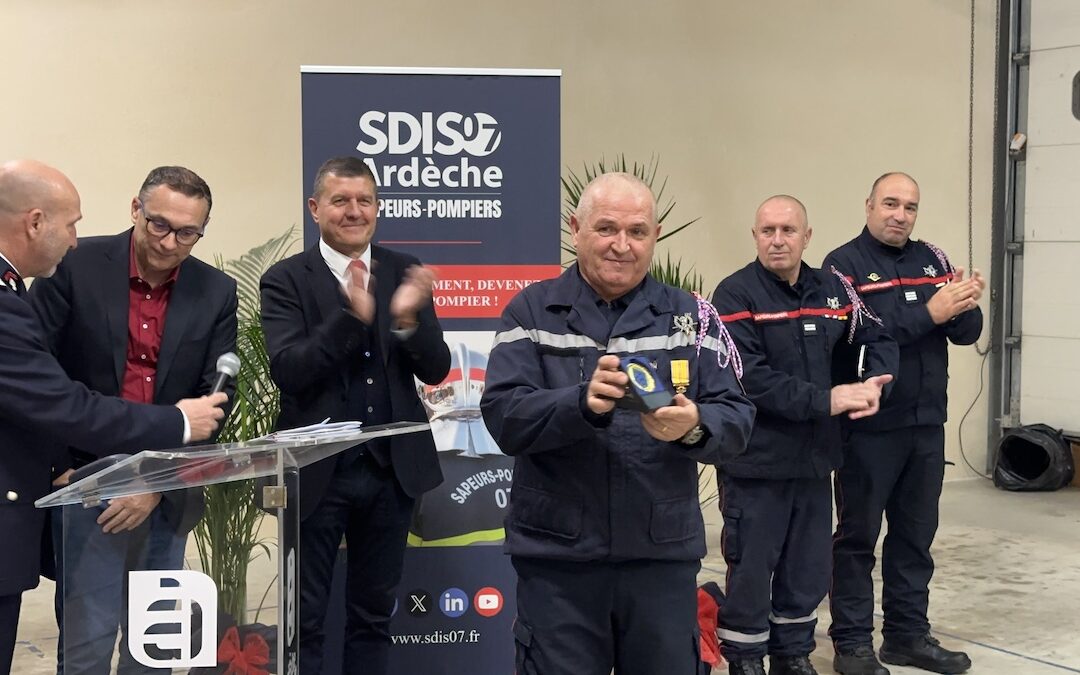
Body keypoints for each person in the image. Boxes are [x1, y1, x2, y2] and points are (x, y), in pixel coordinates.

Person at [480, 173, 755, 675]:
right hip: (559, 563)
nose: (622, 245)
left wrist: (693, 426)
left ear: (655, 235)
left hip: (660, 561)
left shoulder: (691, 317)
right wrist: (580, 404)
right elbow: (504, 416)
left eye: (637, 231)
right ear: (576, 228)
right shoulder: (531, 312)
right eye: (606, 228)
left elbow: (737, 419)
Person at [0, 158, 227, 674]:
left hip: (166, 492)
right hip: (84, 485)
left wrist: (155, 480)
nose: (170, 242)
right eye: (159, 224)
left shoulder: (215, 289)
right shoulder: (72, 266)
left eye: (188, 233)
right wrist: (66, 467)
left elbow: (216, 396)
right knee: (87, 645)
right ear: (136, 210)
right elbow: (45, 385)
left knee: (155, 647)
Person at [260, 156, 450, 675]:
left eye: (365, 200)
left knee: (373, 617)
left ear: (377, 208)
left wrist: (407, 319)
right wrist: (350, 318)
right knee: (305, 620)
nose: (354, 211)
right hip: (316, 474)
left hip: (392, 474)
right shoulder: (285, 279)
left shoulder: (403, 270)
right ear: (315, 208)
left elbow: (436, 369)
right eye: (340, 201)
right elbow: (289, 371)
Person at [710, 195, 898, 675]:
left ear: (807, 236)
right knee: (752, 570)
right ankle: (746, 658)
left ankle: (793, 654)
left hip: (814, 463)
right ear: (755, 236)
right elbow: (748, 376)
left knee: (807, 568)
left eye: (788, 230)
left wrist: (876, 380)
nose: (778, 240)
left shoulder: (833, 291)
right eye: (768, 231)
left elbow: (875, 334)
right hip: (756, 465)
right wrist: (826, 400)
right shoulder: (734, 295)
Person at [824, 172, 983, 675]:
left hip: (926, 424)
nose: (900, 215)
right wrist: (932, 312)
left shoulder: (931, 259)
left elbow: (965, 333)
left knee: (915, 537)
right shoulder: (841, 267)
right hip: (869, 428)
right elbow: (859, 335)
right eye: (890, 203)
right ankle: (852, 643)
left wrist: (965, 303)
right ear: (869, 205)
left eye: (910, 207)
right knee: (857, 540)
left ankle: (907, 636)